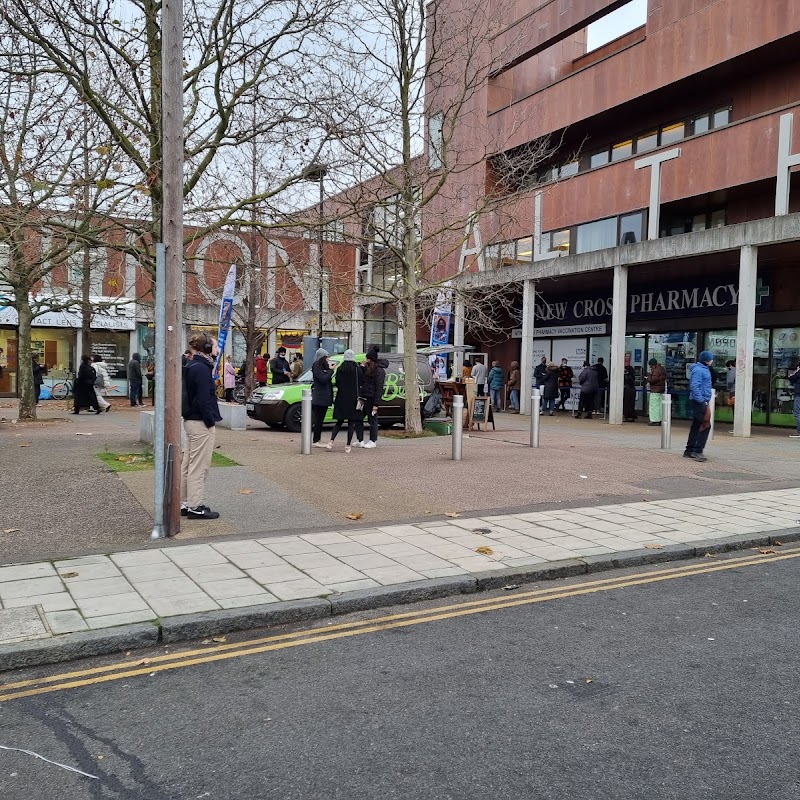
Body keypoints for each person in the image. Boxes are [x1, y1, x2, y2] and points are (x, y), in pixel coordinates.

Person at [181, 331, 222, 519]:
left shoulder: (192, 365)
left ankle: (185, 502)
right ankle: (195, 505)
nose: (217, 349)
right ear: (206, 348)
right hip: (200, 423)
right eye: (214, 346)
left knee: (188, 465)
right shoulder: (202, 369)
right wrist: (210, 421)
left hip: (191, 421)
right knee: (199, 466)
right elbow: (204, 399)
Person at [327, 349, 364, 452]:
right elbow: (361, 382)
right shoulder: (357, 370)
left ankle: (331, 441)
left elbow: (337, 383)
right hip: (353, 398)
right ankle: (348, 445)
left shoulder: (340, 369)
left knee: (339, 421)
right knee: (351, 423)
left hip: (341, 397)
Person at [684, 350, 714, 462]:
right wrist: (701, 400)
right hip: (699, 401)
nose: (712, 360)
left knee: (696, 425)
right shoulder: (699, 370)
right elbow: (695, 386)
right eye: (711, 358)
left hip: (699, 400)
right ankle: (697, 451)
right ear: (706, 360)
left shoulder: (702, 369)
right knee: (706, 424)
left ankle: (689, 449)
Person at [359, 346, 387, 448]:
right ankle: (360, 439)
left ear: (371, 360)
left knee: (372, 420)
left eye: (367, 359)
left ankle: (373, 440)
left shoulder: (379, 371)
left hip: (371, 398)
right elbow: (362, 380)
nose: (366, 361)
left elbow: (379, 388)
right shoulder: (368, 370)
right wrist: (362, 368)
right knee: (358, 419)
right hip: (365, 397)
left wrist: (376, 404)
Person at [311, 348, 334, 448]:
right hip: (319, 397)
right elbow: (323, 379)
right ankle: (316, 440)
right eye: (326, 357)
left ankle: (317, 439)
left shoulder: (324, 367)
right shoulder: (317, 366)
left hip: (324, 397)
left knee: (320, 419)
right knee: (318, 420)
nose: (328, 359)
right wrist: (331, 371)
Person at [646, 358, 667, 425]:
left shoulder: (655, 370)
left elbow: (653, 380)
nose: (650, 367)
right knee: (660, 405)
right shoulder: (662, 369)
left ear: (652, 365)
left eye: (650, 366)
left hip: (655, 390)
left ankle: (654, 420)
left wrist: (648, 377)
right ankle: (660, 419)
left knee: (653, 405)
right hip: (661, 390)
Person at [789, 361, 800, 438]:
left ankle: (799, 431)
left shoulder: (798, 372)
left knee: (797, 413)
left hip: (799, 394)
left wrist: (797, 370)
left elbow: (791, 377)